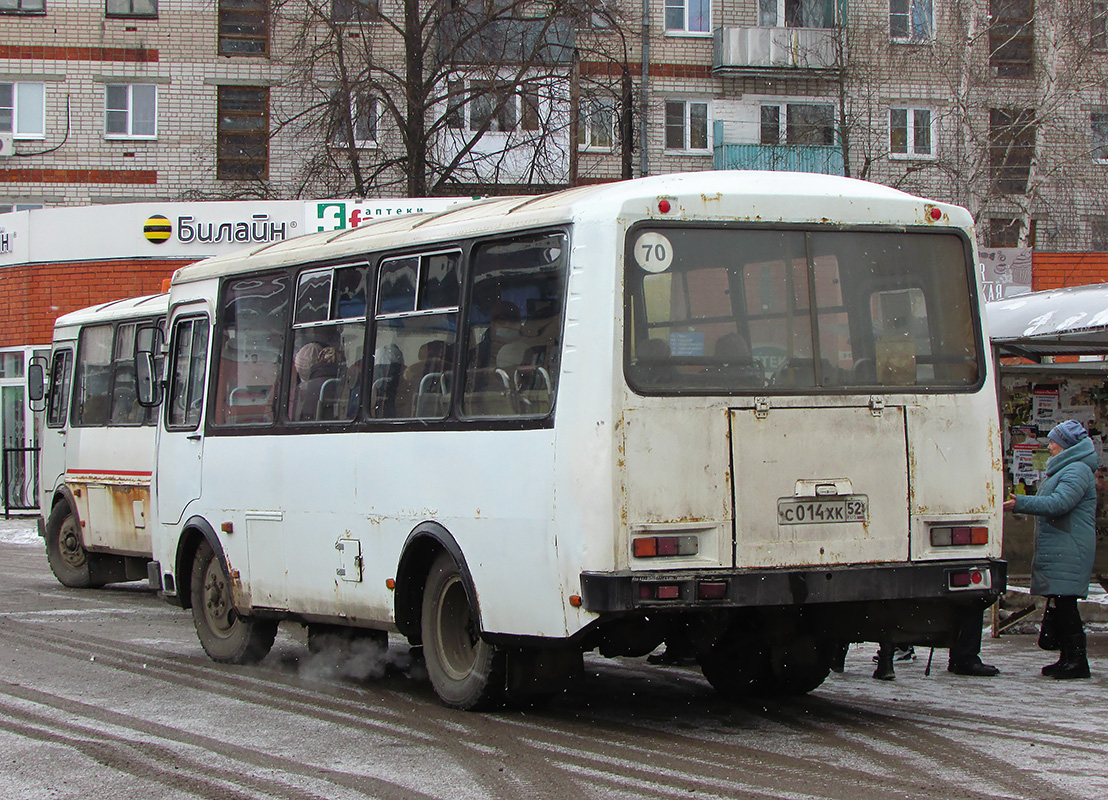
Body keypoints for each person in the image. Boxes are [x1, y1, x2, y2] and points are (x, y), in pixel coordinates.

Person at [1004, 419, 1097, 680]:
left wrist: (1021, 503)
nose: (1051, 445)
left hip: (1070, 547)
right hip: (1064, 546)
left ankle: (1077, 662)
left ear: (1067, 445)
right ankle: (1068, 658)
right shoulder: (1066, 469)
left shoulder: (1076, 470)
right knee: (1061, 602)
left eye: (1055, 441)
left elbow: (1059, 504)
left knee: (1066, 605)